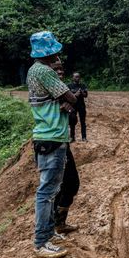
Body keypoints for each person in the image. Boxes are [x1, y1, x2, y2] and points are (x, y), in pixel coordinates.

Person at [27, 31, 77, 258]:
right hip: (52, 136)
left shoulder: (34, 70)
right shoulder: (45, 71)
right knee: (47, 191)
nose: (58, 54)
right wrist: (66, 99)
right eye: (55, 50)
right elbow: (71, 97)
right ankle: (41, 241)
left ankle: (48, 233)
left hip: (47, 135)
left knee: (51, 189)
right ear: (50, 52)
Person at [51, 63, 80, 235]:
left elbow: (73, 119)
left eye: (62, 69)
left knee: (70, 184)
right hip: (53, 143)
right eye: (56, 70)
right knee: (61, 185)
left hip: (63, 141)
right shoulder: (48, 95)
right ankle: (52, 225)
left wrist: (69, 111)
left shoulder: (63, 93)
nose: (60, 72)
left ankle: (58, 223)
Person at [67, 72, 88, 142]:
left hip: (81, 106)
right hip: (73, 106)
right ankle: (72, 137)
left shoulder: (83, 85)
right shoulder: (69, 86)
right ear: (72, 78)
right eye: (76, 77)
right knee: (72, 122)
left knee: (83, 122)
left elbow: (86, 95)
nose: (77, 78)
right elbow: (67, 96)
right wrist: (75, 94)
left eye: (78, 77)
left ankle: (84, 137)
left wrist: (82, 93)